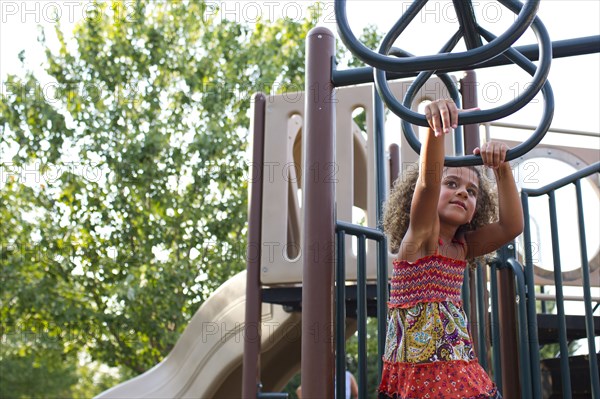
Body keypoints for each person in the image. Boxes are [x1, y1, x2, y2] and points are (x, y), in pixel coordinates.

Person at [378, 99, 523, 398]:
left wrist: (502, 169)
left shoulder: (462, 247)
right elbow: (428, 184)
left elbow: (511, 226)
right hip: (420, 378)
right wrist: (436, 128)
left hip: (458, 374)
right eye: (453, 183)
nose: (462, 192)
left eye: (471, 192)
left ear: (477, 209)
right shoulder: (419, 240)